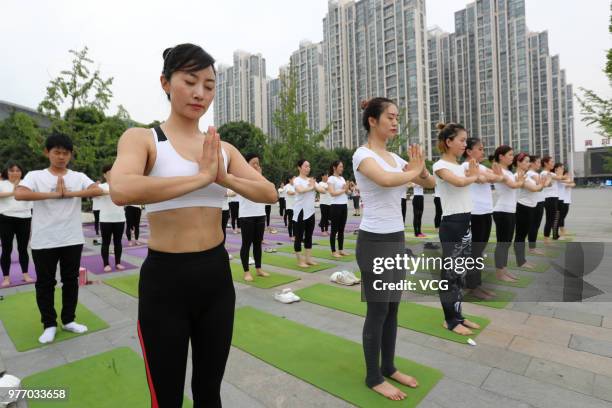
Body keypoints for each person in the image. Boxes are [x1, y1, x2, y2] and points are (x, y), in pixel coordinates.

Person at [109, 43, 277, 407]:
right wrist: (201, 178)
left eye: (210, 85)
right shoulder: (144, 139)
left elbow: (269, 193)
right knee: (167, 397)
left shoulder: (222, 148)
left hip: (215, 279)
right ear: (166, 83)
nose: (200, 93)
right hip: (164, 283)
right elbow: (121, 188)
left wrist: (224, 178)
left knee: (208, 392)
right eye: (190, 81)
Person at [354, 97, 435, 401]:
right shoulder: (362, 155)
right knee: (378, 310)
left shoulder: (397, 157)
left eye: (397, 117)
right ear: (372, 120)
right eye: (389, 116)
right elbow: (387, 181)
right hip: (374, 242)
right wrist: (414, 172)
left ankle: (388, 366)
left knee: (393, 308)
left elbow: (431, 184)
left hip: (396, 240)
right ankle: (373, 376)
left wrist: (421, 169)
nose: (395, 121)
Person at [15, 132, 103, 344]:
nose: (61, 157)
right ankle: (49, 324)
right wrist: (54, 194)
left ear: (71, 155)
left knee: (70, 280)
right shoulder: (36, 176)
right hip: (44, 239)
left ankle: (69, 320)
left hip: (71, 238)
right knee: (45, 283)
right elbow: (20, 194)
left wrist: (70, 194)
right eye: (57, 152)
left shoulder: (78, 177)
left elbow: (97, 190)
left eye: (65, 153)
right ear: (47, 152)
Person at [433, 123, 481, 336]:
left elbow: (467, 177)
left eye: (465, 140)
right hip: (451, 224)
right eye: (461, 140)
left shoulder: (462, 166)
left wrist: (473, 173)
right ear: (448, 141)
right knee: (450, 274)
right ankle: (450, 320)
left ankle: (458, 315)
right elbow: (460, 182)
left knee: (460, 273)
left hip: (465, 222)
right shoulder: (440, 166)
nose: (464, 144)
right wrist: (474, 176)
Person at [461, 138, 503, 300]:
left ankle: (475, 284)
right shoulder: (465, 166)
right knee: (474, 252)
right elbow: (488, 178)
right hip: (474, 215)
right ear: (469, 151)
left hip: (486, 213)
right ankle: (472, 285)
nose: (483, 151)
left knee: (479, 251)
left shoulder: (482, 167)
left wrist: (488, 176)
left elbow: (496, 178)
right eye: (479, 149)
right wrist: (488, 176)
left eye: (483, 148)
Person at [490, 145, 526, 282]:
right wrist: (520, 181)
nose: (512, 157)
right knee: (502, 243)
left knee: (507, 243)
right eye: (510, 155)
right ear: (501, 156)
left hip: (510, 210)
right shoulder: (499, 170)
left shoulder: (508, 172)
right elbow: (513, 185)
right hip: (502, 210)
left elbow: (515, 185)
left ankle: (504, 270)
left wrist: (519, 181)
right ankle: (499, 274)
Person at [239, 153, 271, 282]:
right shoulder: (241, 177)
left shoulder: (261, 178)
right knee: (246, 244)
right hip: (247, 215)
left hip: (260, 214)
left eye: (258, 163)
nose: (257, 166)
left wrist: (260, 176)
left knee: (258, 244)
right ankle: (246, 271)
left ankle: (258, 268)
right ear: (246, 165)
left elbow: (268, 189)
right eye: (254, 163)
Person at [0, 162, 33, 287]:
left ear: (21, 172)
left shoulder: (27, 183)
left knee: (23, 248)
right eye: (11, 170)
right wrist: (13, 192)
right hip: (6, 219)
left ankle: (25, 274)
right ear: (7, 172)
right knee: (6, 249)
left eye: (17, 170)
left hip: (24, 218)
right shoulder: (2, 183)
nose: (15, 173)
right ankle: (6, 278)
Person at [513, 153, 546, 270]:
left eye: (529, 161)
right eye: (526, 162)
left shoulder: (525, 175)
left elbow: (539, 187)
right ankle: (521, 261)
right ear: (518, 162)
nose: (528, 164)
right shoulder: (518, 175)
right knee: (520, 235)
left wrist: (540, 185)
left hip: (530, 207)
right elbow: (535, 188)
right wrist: (541, 184)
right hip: (522, 208)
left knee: (523, 234)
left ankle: (522, 260)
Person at [293, 160, 326, 267]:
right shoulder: (296, 180)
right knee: (298, 236)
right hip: (300, 212)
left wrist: (314, 185)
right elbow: (300, 190)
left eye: (309, 166)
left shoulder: (311, 180)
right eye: (306, 166)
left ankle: (308, 259)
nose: (308, 168)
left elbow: (323, 191)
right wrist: (312, 186)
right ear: (299, 167)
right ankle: (299, 261)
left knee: (309, 236)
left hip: (310, 211)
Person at [98, 164, 126, 272]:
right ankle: (106, 264)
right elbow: (96, 194)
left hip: (119, 218)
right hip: (106, 219)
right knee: (106, 242)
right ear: (105, 175)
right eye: (110, 172)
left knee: (118, 242)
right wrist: (109, 191)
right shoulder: (101, 186)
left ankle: (118, 262)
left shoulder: (121, 185)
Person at [327, 161, 350, 257]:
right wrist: (344, 190)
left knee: (341, 229)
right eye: (340, 166)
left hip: (344, 205)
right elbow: (332, 193)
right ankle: (333, 251)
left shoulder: (342, 178)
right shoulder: (331, 179)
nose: (342, 168)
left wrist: (347, 189)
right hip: (335, 206)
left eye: (342, 166)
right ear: (334, 167)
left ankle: (341, 249)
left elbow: (347, 192)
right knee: (334, 230)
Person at [527, 156, 548, 255]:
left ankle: (532, 247)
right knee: (534, 225)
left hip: (539, 201)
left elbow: (545, 184)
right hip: (535, 202)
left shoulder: (535, 174)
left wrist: (545, 182)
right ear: (532, 163)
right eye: (538, 162)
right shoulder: (531, 173)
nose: (540, 164)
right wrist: (546, 181)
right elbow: (544, 183)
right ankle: (532, 248)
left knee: (536, 225)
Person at [559, 169, 575, 236]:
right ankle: (562, 231)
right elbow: (570, 184)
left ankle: (562, 230)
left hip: (567, 201)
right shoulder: (561, 182)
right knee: (561, 216)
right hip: (563, 201)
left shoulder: (566, 181)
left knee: (563, 216)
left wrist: (570, 181)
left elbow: (573, 184)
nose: (568, 176)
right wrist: (569, 181)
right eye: (567, 174)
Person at [284, 176, 296, 241]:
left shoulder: (295, 186)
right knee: (291, 222)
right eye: (294, 179)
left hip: (295, 207)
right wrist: (297, 192)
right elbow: (289, 193)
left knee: (295, 222)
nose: (295, 180)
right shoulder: (287, 186)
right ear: (290, 179)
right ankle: (290, 236)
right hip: (289, 207)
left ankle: (295, 235)